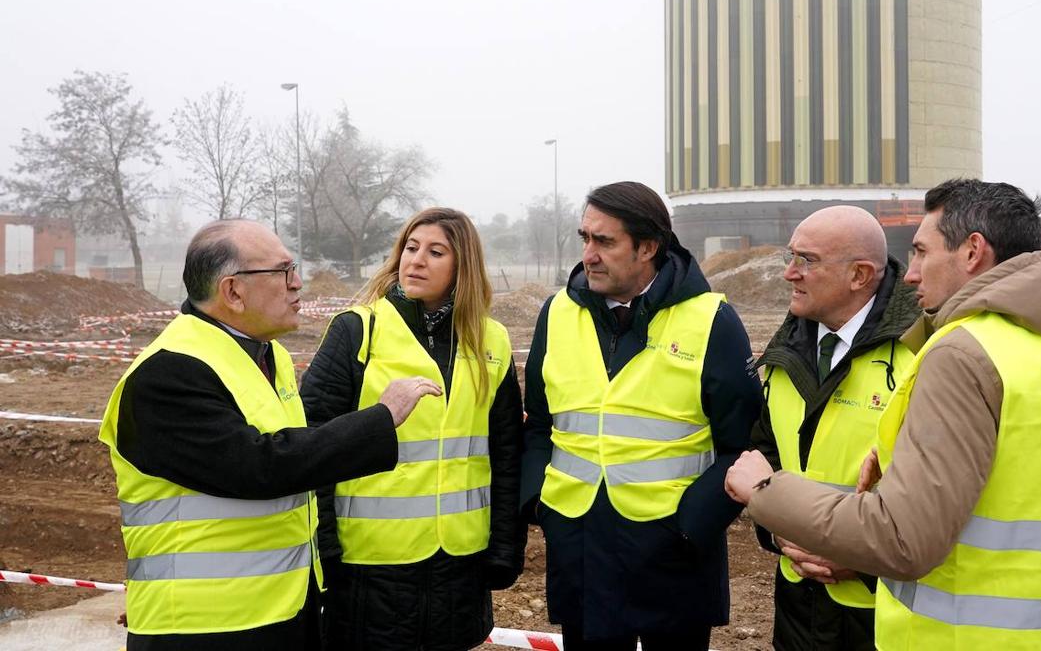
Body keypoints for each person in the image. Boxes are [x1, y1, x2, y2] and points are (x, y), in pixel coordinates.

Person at [726, 179, 1041, 650]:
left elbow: (904, 539)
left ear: (972, 252)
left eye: (922, 252)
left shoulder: (962, 353)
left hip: (962, 636)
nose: (909, 274)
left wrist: (766, 491)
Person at [98, 219, 443, 650]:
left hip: (281, 614)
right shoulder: (168, 373)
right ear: (233, 292)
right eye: (283, 272)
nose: (298, 283)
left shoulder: (267, 355)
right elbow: (260, 467)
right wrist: (379, 418)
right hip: (201, 628)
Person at [521, 181, 762, 651]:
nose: (588, 254)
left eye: (604, 241)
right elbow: (538, 426)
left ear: (648, 246)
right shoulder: (556, 314)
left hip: (674, 556)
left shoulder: (711, 320)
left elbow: (743, 442)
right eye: (585, 238)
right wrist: (538, 505)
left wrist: (692, 524)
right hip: (581, 548)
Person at [300, 207, 524, 650]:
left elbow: (506, 453)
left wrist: (503, 548)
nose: (416, 260)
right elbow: (313, 446)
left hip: (460, 565)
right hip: (369, 565)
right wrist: (325, 549)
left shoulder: (491, 341)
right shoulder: (356, 331)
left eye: (435, 251)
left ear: (463, 266)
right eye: (410, 247)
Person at [751, 206, 918, 650]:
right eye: (790, 257)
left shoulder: (919, 356)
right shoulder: (785, 350)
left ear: (860, 275)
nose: (789, 273)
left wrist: (860, 559)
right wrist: (779, 530)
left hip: (882, 609)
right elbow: (765, 453)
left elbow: (936, 493)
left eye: (806, 260)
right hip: (797, 601)